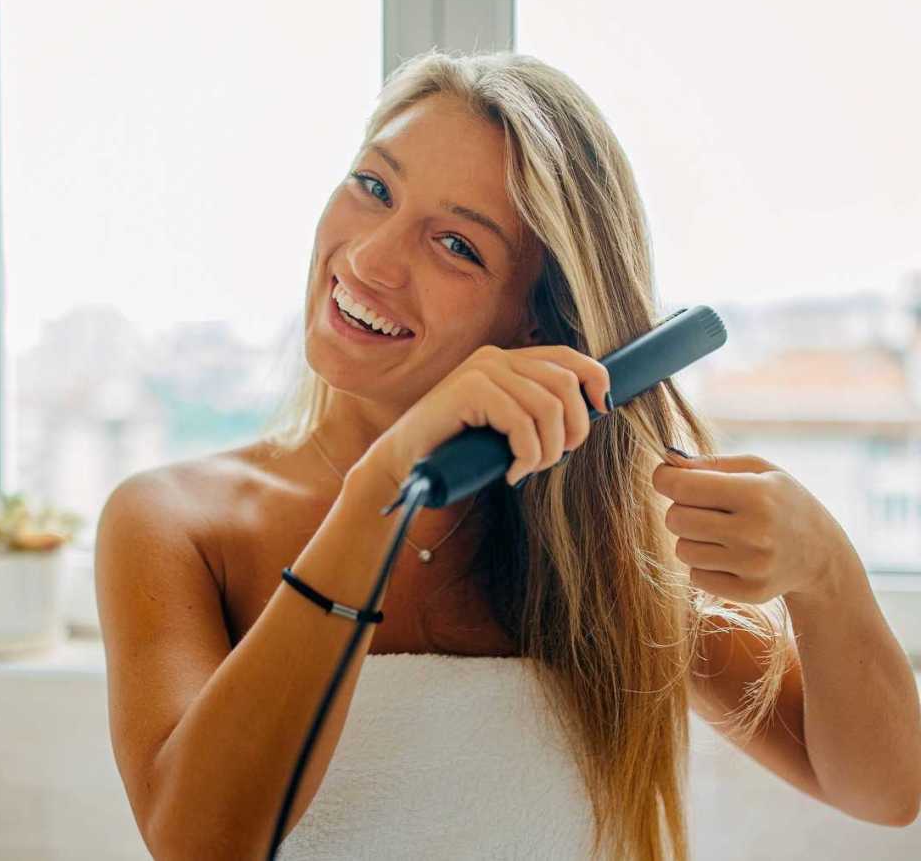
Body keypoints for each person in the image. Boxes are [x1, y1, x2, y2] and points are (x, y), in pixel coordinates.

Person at [95, 49, 921, 860]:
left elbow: (884, 791)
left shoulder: (602, 558)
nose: (371, 259)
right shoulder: (174, 524)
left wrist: (827, 575)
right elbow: (203, 845)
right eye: (374, 187)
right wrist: (382, 487)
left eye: (456, 245)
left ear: (535, 322)